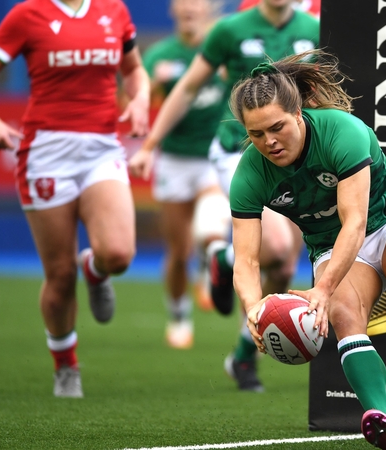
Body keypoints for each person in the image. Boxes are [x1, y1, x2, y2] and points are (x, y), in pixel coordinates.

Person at [230, 50, 386, 449]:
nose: (269, 142)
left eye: (276, 127)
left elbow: (356, 223)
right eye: (256, 134)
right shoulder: (250, 173)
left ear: (297, 114)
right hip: (330, 243)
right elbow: (246, 259)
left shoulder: (342, 132)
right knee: (345, 316)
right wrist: (253, 308)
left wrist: (321, 289)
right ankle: (383, 420)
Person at [131, 0, 318, 391]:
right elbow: (187, 88)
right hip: (241, 149)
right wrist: (150, 144)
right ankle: (226, 260)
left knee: (284, 269)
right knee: (278, 245)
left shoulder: (314, 28)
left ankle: (243, 355)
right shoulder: (230, 29)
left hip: (298, 153)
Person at [0, 0, 149, 398]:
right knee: (60, 274)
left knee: (118, 254)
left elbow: (134, 70)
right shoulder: (27, 14)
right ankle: (66, 365)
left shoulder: (113, 10)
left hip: (101, 148)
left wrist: (138, 99)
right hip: (46, 153)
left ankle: (96, 270)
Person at [133, 0, 230, 350]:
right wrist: (155, 87)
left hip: (213, 155)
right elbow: (134, 101)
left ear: (208, 10)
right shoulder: (160, 55)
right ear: (172, 10)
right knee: (178, 250)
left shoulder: (220, 46)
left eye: (197, 4)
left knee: (209, 227)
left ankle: (210, 264)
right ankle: (178, 314)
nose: (190, 9)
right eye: (183, 4)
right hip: (174, 160)